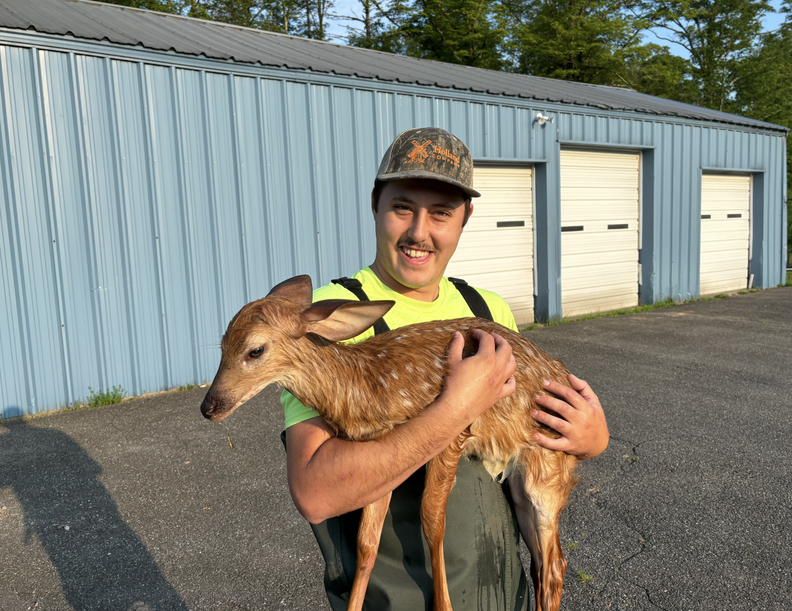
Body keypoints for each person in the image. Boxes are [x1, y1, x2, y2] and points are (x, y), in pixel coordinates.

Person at [281, 127, 609, 610]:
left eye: (441, 212)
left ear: (465, 218)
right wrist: (455, 409)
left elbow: (532, 430)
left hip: (496, 589)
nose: (419, 232)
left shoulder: (487, 310)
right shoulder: (329, 319)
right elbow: (315, 494)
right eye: (402, 207)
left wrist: (591, 439)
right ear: (374, 204)